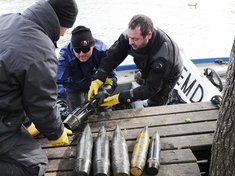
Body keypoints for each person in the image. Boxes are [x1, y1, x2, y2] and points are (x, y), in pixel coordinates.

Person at [0, 0, 78, 175]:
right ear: (61, 23)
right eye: (66, 29)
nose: (64, 35)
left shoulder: (7, 19)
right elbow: (42, 104)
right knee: (34, 166)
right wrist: (56, 132)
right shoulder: (41, 49)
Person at [88, 14, 183, 107]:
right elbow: (113, 56)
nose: (130, 42)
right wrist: (99, 76)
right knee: (143, 76)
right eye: (129, 37)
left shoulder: (163, 56)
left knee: (156, 100)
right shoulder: (131, 35)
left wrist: (120, 98)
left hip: (170, 72)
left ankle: (165, 97)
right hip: (148, 61)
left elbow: (151, 88)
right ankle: (145, 77)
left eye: (134, 39)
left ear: (148, 35)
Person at [57, 25, 117, 112]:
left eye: (85, 50)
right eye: (77, 50)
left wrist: (106, 90)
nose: (81, 54)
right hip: (73, 86)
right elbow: (58, 82)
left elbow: (111, 77)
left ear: (93, 46)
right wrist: (60, 101)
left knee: (103, 107)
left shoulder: (103, 52)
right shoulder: (64, 56)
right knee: (76, 111)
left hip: (96, 83)